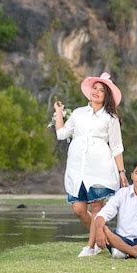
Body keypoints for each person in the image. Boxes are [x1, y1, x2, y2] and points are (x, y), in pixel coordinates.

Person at [55, 72, 128, 257]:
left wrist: (121, 172)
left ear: (106, 96)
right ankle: (102, 235)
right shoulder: (78, 113)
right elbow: (61, 134)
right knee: (79, 209)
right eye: (94, 88)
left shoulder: (111, 119)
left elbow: (117, 147)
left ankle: (90, 246)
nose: (96, 92)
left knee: (96, 207)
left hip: (100, 167)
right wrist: (58, 114)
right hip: (78, 167)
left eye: (101, 90)